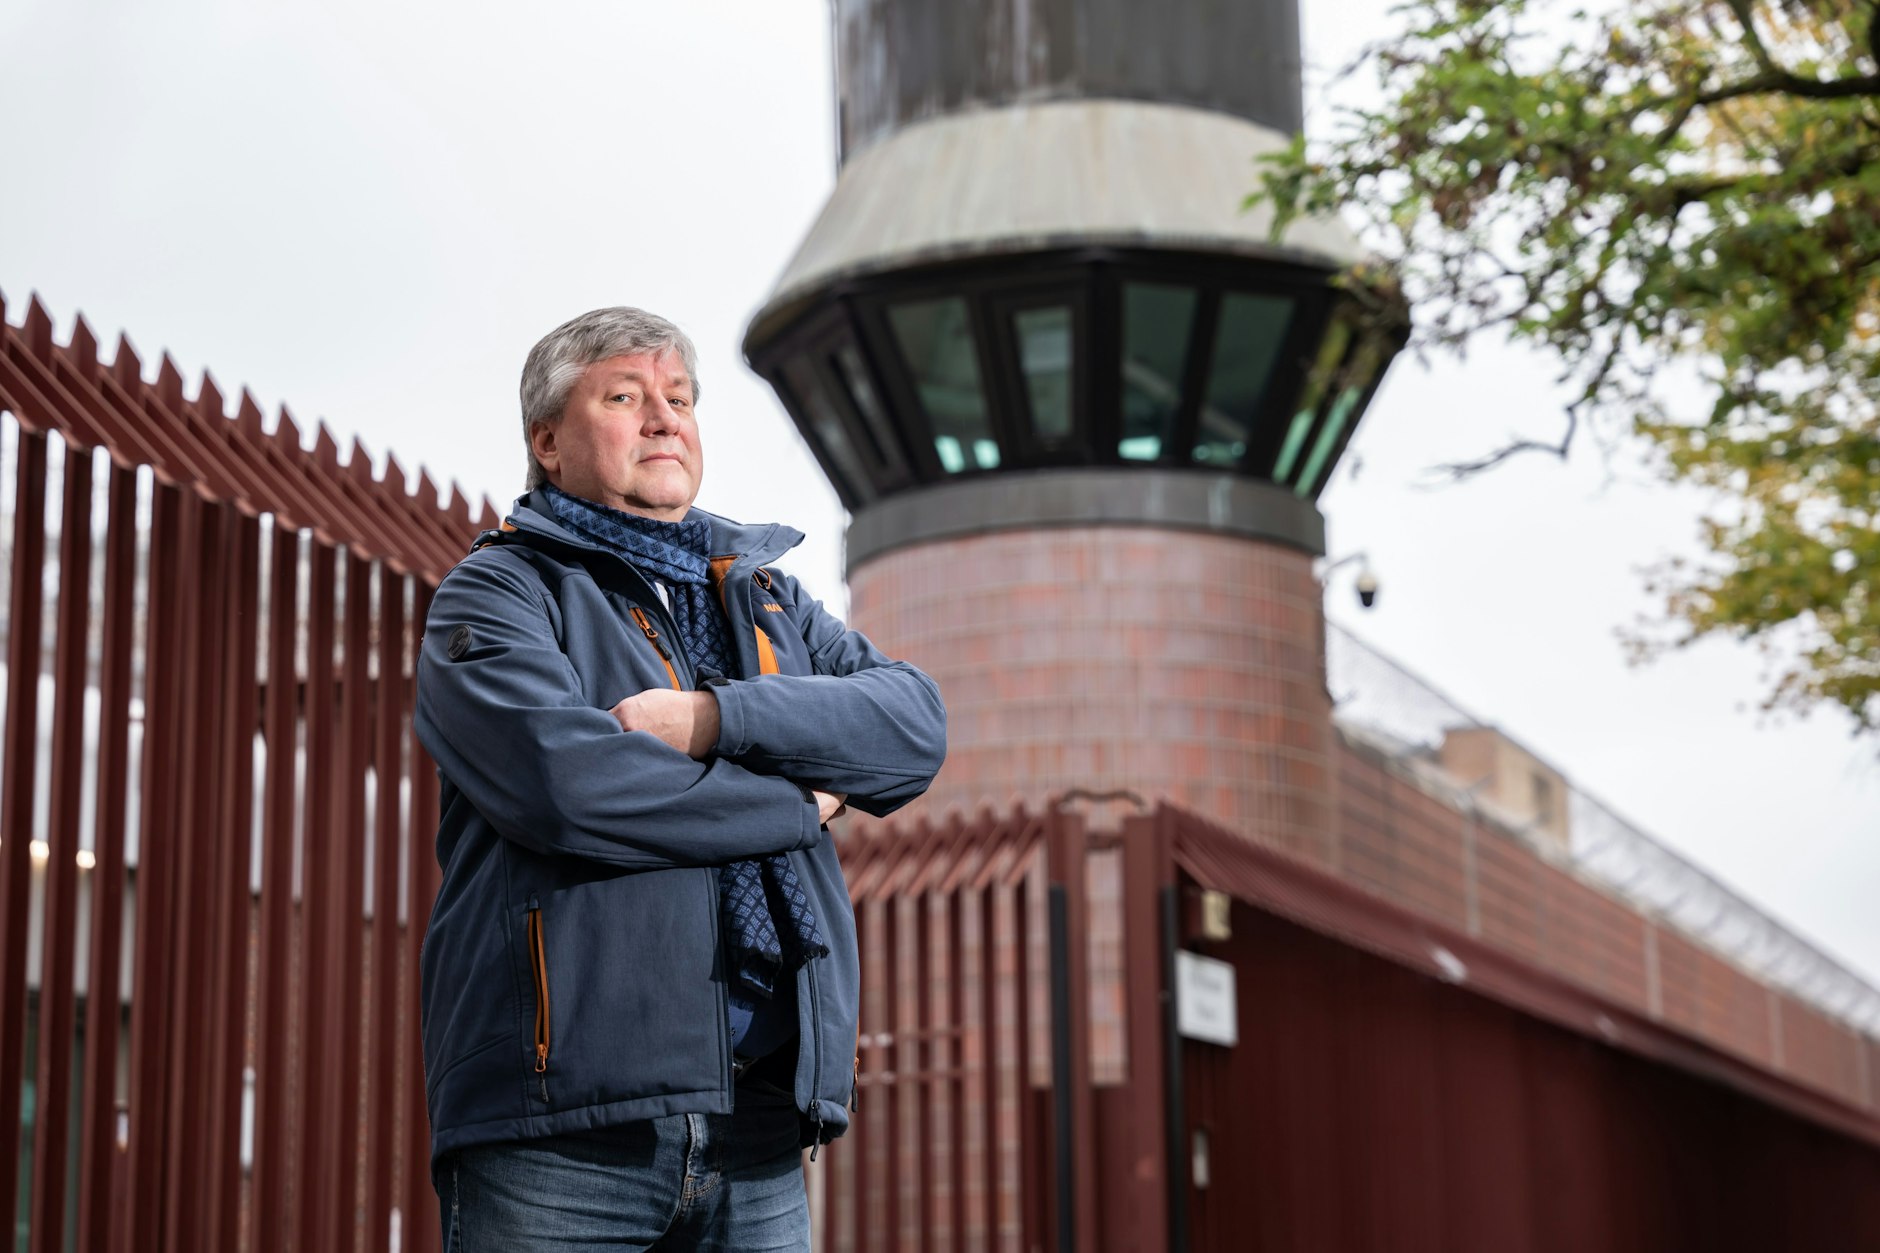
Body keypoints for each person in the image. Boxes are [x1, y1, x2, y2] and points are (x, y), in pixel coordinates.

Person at [414, 306, 946, 1250]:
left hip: (762, 1127)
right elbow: (568, 786)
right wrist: (797, 800)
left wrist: (717, 718)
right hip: (565, 1132)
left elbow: (911, 726)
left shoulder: (767, 597)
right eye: (624, 396)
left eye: (680, 398)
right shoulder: (499, 593)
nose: (664, 417)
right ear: (548, 442)